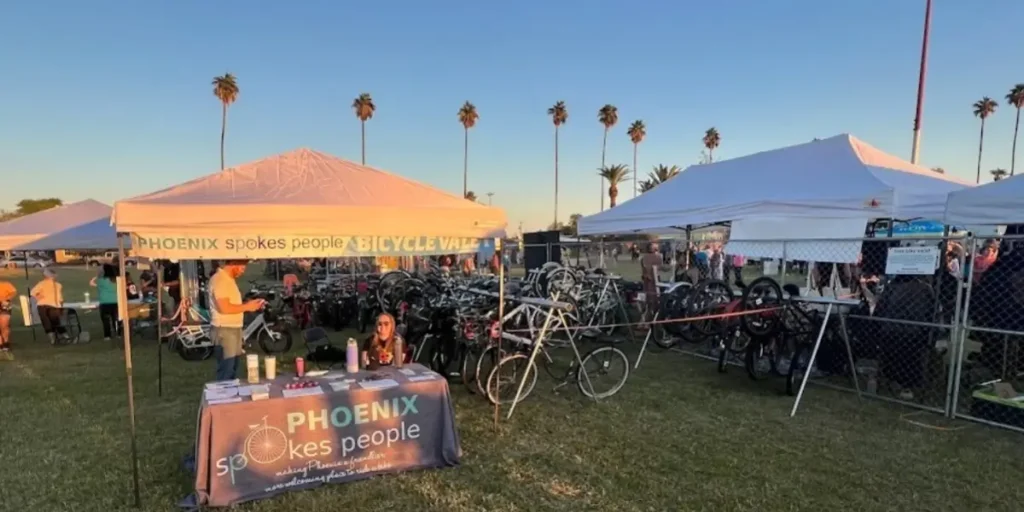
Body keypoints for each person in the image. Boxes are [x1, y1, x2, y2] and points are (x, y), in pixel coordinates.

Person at [208, 260, 264, 381]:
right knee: (226, 369)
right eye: (242, 267)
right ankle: (223, 397)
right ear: (233, 262)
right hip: (224, 329)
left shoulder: (228, 280)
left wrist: (248, 304)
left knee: (232, 368)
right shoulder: (220, 280)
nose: (243, 271)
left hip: (232, 328)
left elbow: (232, 305)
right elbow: (224, 308)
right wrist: (248, 307)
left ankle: (230, 396)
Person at [32, 268, 66, 344]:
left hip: (43, 305)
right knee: (56, 321)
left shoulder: (41, 284)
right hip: (54, 305)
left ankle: (52, 339)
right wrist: (61, 307)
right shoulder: (58, 285)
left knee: (46, 322)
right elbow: (60, 298)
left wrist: (39, 297)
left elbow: (33, 293)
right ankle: (63, 335)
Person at [90, 264, 120, 341]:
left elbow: (93, 281)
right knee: (115, 319)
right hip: (115, 301)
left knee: (106, 320)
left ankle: (107, 336)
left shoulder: (101, 281)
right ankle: (118, 333)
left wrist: (96, 276)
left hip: (105, 302)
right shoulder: (116, 280)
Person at [640, 243, 661, 324]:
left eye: (657, 249)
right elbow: (645, 271)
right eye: (654, 249)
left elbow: (659, 268)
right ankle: (646, 320)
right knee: (649, 301)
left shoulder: (657, 257)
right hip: (649, 282)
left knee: (655, 301)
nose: (656, 251)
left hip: (655, 281)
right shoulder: (646, 258)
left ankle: (653, 319)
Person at [0, 279, 16, 359]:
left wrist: (7, 299)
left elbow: (13, 292)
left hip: (4, 306)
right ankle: (1, 345)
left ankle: (6, 343)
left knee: (4, 325)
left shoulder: (6, 284)